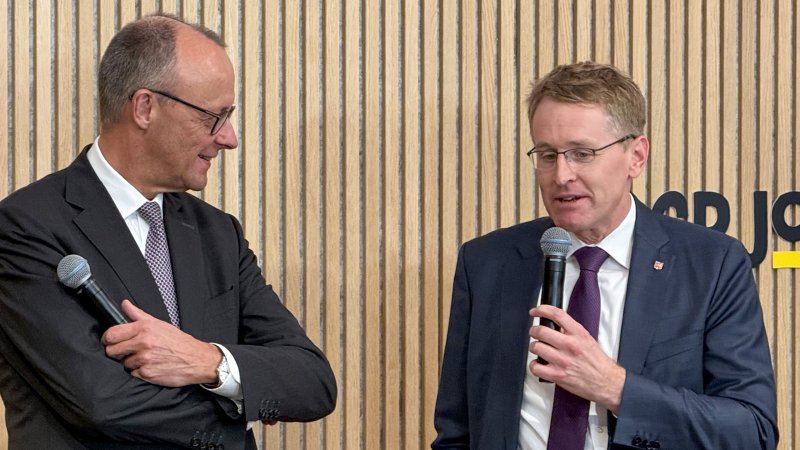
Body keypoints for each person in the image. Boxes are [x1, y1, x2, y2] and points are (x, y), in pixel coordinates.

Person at [0, 14, 335, 449]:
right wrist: (242, 400)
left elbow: (313, 383)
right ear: (145, 107)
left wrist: (209, 361)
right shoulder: (26, 226)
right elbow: (104, 405)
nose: (229, 138)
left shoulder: (218, 234)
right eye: (215, 116)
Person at [432, 62, 777, 449]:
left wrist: (616, 388)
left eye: (582, 153)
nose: (561, 175)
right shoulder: (487, 263)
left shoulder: (712, 265)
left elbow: (752, 430)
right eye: (547, 155)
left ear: (637, 156)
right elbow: (457, 431)